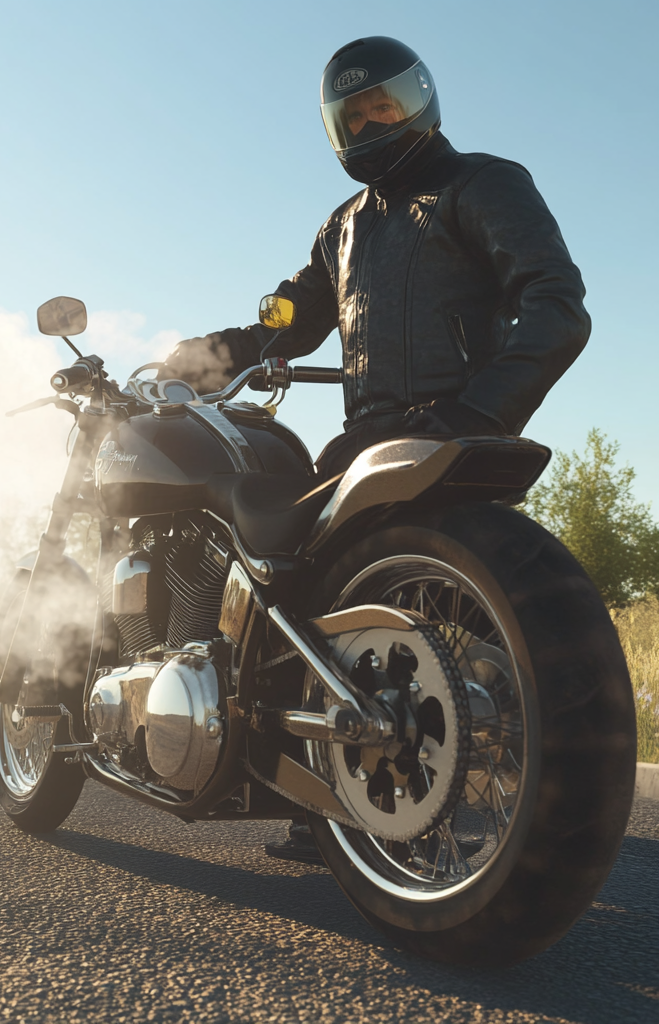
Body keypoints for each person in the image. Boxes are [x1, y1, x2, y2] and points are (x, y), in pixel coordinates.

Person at [161, 36, 591, 862]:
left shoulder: (482, 183)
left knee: (293, 572)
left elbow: (555, 303)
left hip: (448, 431)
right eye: (352, 114)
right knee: (278, 578)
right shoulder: (343, 229)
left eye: (381, 105)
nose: (369, 121)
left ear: (418, 99)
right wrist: (218, 350)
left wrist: (477, 413)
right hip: (363, 442)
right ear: (336, 128)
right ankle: (313, 789)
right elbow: (290, 318)